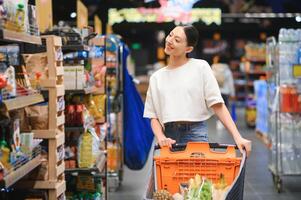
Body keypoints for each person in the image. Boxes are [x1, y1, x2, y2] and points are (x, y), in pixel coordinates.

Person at [143, 25, 251, 157]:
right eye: (170, 35)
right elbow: (153, 116)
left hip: (195, 133)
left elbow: (217, 104)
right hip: (168, 138)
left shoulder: (200, 67)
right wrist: (160, 138)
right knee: (164, 177)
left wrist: (237, 137)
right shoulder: (156, 77)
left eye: (177, 40)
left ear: (188, 48)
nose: (170, 40)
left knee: (196, 177)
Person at [211, 55, 235, 129]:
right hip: (225, 92)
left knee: (217, 108)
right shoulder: (227, 70)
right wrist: (233, 93)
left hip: (216, 92)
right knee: (225, 108)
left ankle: (219, 122)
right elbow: (230, 82)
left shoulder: (213, 69)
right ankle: (224, 123)